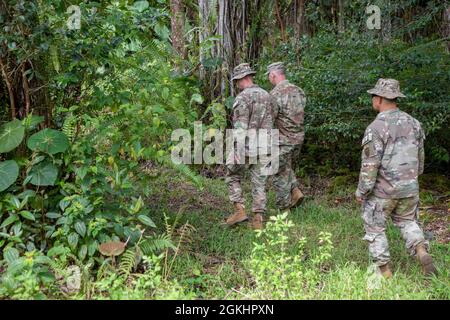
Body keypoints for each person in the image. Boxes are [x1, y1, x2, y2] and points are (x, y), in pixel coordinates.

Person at [356, 78, 437, 278]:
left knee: (375, 227)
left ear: (380, 99)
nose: (372, 100)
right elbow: (420, 160)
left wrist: (362, 191)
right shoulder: (414, 123)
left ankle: (383, 270)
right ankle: (421, 250)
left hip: (383, 191)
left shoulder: (376, 127)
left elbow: (370, 165)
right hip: (409, 188)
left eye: (374, 96)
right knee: (408, 221)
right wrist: (411, 180)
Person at [225, 63, 276, 229]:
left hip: (247, 146)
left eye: (237, 81)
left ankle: (239, 210)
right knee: (259, 182)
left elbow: (241, 127)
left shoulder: (242, 98)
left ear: (243, 79)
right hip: (265, 145)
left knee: (232, 174)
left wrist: (237, 150)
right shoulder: (268, 96)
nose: (237, 84)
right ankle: (258, 219)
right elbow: (272, 118)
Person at [267, 62, 306, 211]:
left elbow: (270, 119)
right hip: (299, 137)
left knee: (278, 173)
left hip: (283, 140)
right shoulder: (299, 91)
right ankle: (295, 191)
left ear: (273, 75)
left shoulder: (275, 94)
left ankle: (283, 210)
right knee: (287, 168)